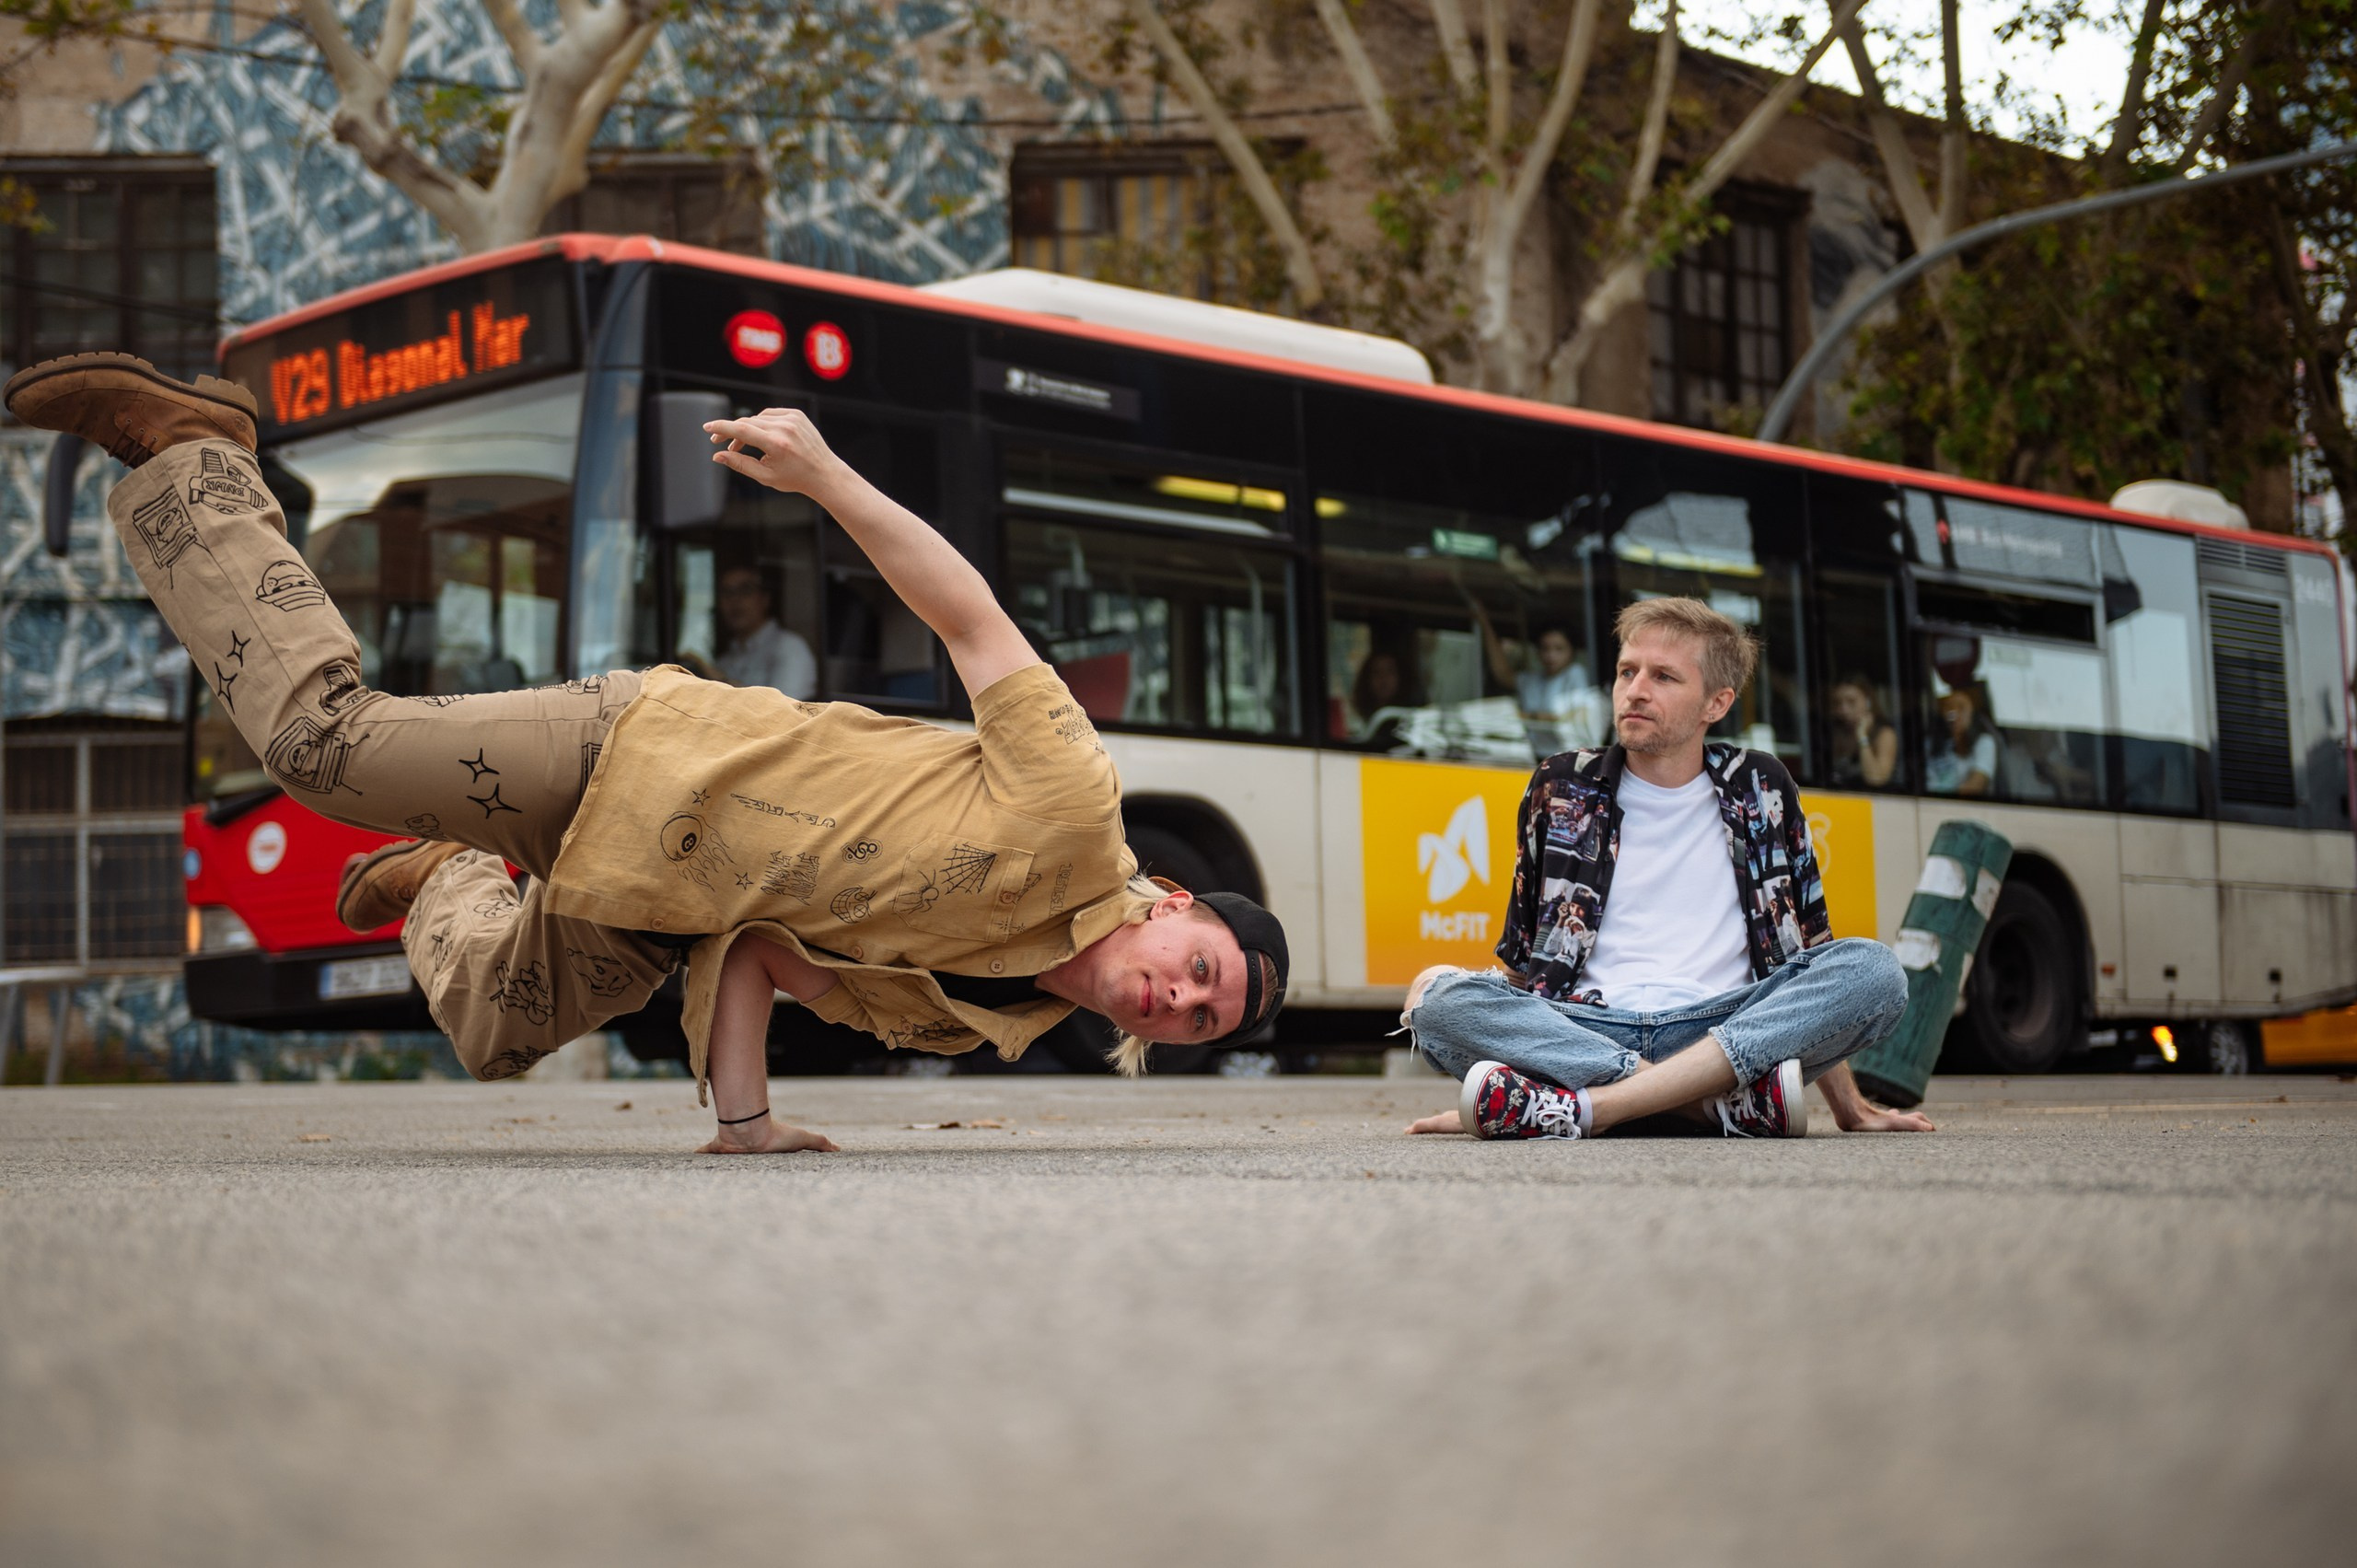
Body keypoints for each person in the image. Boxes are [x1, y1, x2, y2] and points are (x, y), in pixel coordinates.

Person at [6, 354, 1288, 1154]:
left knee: (495, 1031)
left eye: (1204, 1019)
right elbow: (970, 616)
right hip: (644, 757)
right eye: (1200, 971)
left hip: (663, 901)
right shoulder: (1077, 812)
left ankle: (445, 873)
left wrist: (746, 1126)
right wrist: (828, 474)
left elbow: (767, 954)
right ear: (1174, 907)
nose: (1179, 1002)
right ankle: (195, 455)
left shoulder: (995, 1021)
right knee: (319, 748)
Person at [1399, 597, 1933, 1141]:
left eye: (1664, 677)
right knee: (1432, 994)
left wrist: (1851, 1107)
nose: (1635, 690)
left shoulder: (1763, 787)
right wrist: (1488, 1018)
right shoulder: (1561, 785)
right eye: (1627, 671)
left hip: (1726, 1028)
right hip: (1583, 1027)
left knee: (1875, 971)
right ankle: (1711, 1109)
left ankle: (1577, 1107)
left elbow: (1810, 955)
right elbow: (1521, 958)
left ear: (1716, 703)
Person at [1469, 598, 1601, 757]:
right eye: (1545, 649)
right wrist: (1485, 625)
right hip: (1532, 756)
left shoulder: (1575, 673)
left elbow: (1573, 716)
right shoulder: (1532, 681)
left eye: (1559, 649)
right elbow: (1503, 675)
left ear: (1572, 652)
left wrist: (1526, 717)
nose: (1551, 655)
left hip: (1567, 759)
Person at [713, 563, 817, 698]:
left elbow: (781, 710)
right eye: (727, 593)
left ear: (764, 599)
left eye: (745, 590)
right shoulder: (724, 662)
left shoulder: (790, 648)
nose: (734, 600)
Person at [1828, 676, 1898, 788]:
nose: (1844, 710)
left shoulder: (1884, 734)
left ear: (1868, 701)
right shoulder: (1836, 734)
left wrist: (1862, 736)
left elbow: (1876, 779)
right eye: (1837, 703)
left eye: (1851, 702)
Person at [1927, 685, 1997, 796]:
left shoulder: (1984, 742)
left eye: (1961, 708)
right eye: (1949, 708)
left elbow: (1977, 784)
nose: (1954, 714)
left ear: (1972, 714)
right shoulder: (1934, 746)